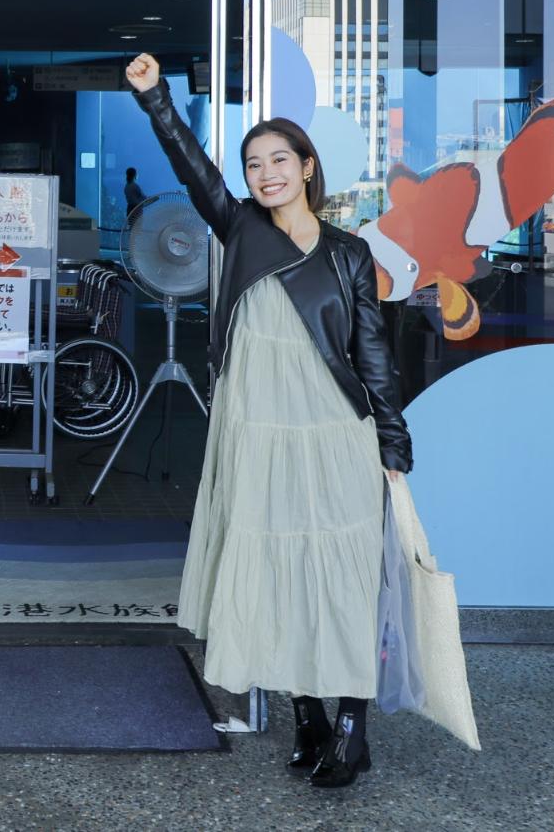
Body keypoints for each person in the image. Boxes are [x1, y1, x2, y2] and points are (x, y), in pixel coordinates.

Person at [125, 52, 412, 789]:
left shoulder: (349, 254)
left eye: (278, 159)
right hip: (257, 433)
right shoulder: (241, 228)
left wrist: (391, 440)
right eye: (253, 163)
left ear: (307, 167)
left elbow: (371, 354)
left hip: (331, 436)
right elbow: (192, 169)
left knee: (342, 579)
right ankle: (307, 715)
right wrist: (155, 97)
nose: (264, 173)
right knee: (280, 576)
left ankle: (352, 726)